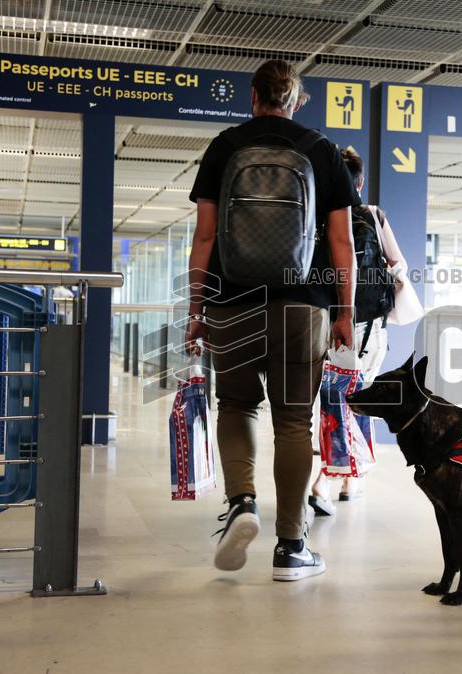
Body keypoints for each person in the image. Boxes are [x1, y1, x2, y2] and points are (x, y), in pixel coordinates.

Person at [185, 60, 358, 581]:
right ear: (296, 100)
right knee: (292, 420)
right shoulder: (323, 151)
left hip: (231, 301)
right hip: (302, 305)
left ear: (253, 96)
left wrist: (197, 309)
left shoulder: (225, 147)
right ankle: (291, 546)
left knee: (236, 405)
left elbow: (206, 237)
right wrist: (345, 312)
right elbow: (341, 241)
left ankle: (241, 503)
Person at [309, 148, 407, 514]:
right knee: (359, 397)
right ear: (360, 182)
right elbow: (397, 263)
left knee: (332, 401)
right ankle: (347, 480)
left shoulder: (318, 217)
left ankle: (328, 480)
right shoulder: (373, 214)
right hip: (369, 328)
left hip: (325, 321)